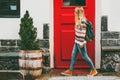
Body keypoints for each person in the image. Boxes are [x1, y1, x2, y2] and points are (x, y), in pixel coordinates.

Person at [61, 7, 98, 76]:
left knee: (85, 56)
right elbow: (78, 32)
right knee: (73, 55)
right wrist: (76, 41)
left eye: (75, 12)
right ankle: (70, 70)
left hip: (80, 42)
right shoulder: (78, 20)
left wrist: (82, 43)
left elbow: (83, 33)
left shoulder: (82, 21)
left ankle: (93, 70)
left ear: (78, 13)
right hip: (77, 41)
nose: (74, 13)